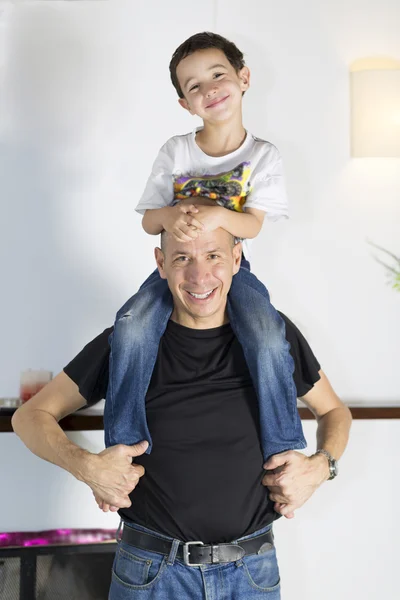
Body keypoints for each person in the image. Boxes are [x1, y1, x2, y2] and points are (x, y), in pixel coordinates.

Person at [12, 229, 352, 600]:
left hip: (252, 574)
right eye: (182, 258)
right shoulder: (127, 342)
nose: (199, 277)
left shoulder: (272, 337)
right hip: (150, 576)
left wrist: (322, 466)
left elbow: (334, 411)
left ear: (237, 259)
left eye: (213, 256)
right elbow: (29, 416)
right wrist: (86, 467)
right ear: (161, 264)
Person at [106, 31, 298, 451]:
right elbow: (149, 221)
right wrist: (172, 215)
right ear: (185, 104)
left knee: (267, 333)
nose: (210, 89)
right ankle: (125, 442)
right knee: (131, 327)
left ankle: (283, 444)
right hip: (176, 272)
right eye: (195, 86)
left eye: (218, 75)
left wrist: (216, 214)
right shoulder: (176, 151)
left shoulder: (264, 156)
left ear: (243, 77)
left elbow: (253, 226)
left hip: (230, 269)